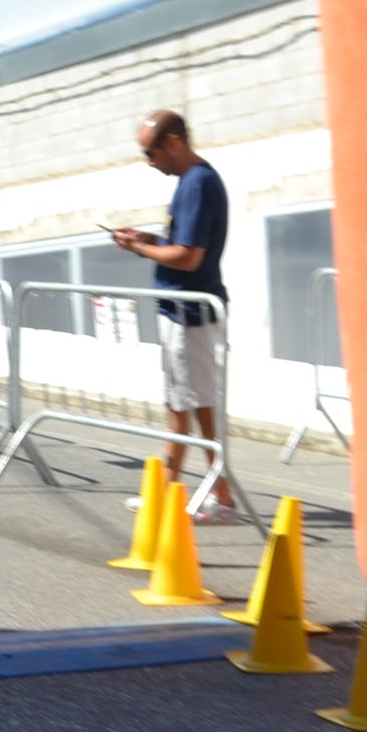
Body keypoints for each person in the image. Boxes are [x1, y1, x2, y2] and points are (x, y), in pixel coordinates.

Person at [111, 109, 237, 522]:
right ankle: (175, 490)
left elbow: (187, 256)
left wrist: (138, 248)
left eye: (150, 152)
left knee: (196, 404)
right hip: (183, 310)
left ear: (173, 143)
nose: (149, 162)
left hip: (190, 312)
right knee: (182, 404)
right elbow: (179, 244)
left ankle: (220, 498)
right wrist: (149, 239)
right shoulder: (190, 182)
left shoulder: (198, 182)